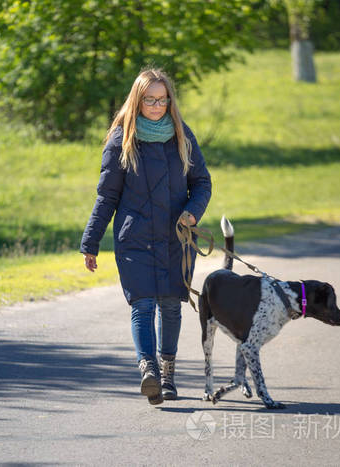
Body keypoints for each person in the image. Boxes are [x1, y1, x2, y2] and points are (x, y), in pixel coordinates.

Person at [80, 68, 212, 405]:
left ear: (169, 101)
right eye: (149, 99)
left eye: (162, 99)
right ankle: (148, 370)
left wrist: (193, 212)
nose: (156, 105)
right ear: (137, 100)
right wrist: (91, 242)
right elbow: (106, 196)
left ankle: (168, 374)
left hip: (175, 237)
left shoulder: (183, 136)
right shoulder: (121, 139)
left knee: (171, 306)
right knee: (142, 304)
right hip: (134, 238)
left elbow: (201, 183)